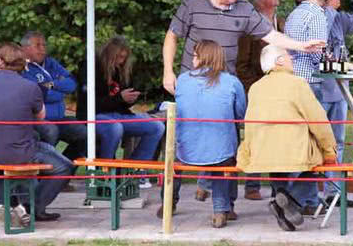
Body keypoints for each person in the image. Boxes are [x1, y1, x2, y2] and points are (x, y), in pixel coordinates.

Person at [162, 0, 324, 200]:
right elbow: (172, 36)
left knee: (228, 144)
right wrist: (168, 71)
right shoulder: (192, 4)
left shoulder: (243, 9)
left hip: (225, 86)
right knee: (181, 142)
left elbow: (269, 35)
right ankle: (170, 201)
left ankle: (225, 205)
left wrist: (301, 45)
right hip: (191, 84)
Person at [284, 0, 353, 212]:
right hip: (318, 84)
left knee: (332, 142)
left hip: (334, 88)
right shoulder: (319, 15)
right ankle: (302, 200)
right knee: (312, 145)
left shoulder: (318, 15)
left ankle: (327, 194)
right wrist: (328, 9)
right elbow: (318, 53)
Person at [236, 45, 337, 231]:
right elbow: (318, 120)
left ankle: (282, 201)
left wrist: (247, 150)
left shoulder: (255, 88)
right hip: (294, 150)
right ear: (279, 61)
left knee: (275, 163)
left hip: (263, 152)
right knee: (317, 166)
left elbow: (248, 122)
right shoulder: (297, 84)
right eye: (288, 55)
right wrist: (329, 149)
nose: (291, 58)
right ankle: (290, 199)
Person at [0, 43, 73, 225]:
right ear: (24, 65)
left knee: (20, 147)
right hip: (18, 150)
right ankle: (29, 208)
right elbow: (41, 116)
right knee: (64, 166)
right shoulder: (30, 87)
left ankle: (2, 204)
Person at [158, 40, 246, 228]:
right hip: (219, 151)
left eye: (195, 55)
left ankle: (168, 202)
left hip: (185, 150)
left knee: (175, 157)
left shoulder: (182, 80)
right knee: (223, 158)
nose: (192, 59)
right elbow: (240, 115)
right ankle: (221, 209)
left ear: (204, 57)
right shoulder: (232, 82)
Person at [76, 36, 164, 164]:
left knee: (157, 127)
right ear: (109, 55)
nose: (121, 61)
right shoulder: (90, 67)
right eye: (118, 57)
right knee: (115, 128)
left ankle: (133, 170)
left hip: (119, 115)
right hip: (94, 115)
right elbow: (91, 103)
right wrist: (120, 98)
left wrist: (130, 99)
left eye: (124, 58)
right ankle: (105, 173)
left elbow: (122, 99)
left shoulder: (122, 70)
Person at [236, 0, 285, 201]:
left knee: (281, 136)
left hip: (282, 90)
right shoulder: (249, 28)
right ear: (260, 0)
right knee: (255, 135)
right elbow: (242, 65)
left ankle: (279, 189)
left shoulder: (281, 23)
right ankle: (252, 185)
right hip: (256, 91)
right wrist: (256, 89)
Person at [21, 31, 86, 162]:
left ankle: (65, 169)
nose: (42, 49)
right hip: (36, 119)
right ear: (25, 48)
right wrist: (59, 89)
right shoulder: (21, 67)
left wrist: (50, 85)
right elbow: (37, 95)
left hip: (59, 117)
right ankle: (45, 174)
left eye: (44, 45)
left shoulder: (51, 63)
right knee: (51, 131)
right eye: (37, 45)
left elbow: (72, 85)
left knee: (85, 133)